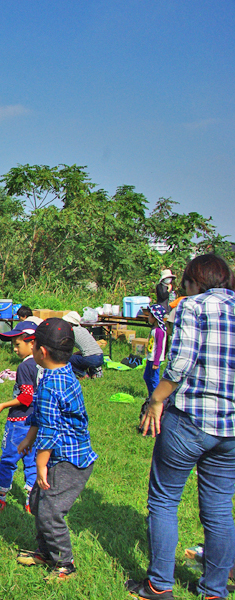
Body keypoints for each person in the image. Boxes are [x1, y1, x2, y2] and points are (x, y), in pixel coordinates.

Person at [127, 254, 235, 600]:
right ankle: (215, 590)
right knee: (219, 509)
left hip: (189, 419)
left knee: (164, 500)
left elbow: (180, 362)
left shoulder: (192, 306)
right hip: (231, 428)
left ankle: (159, 585)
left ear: (193, 282)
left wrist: (156, 400)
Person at [15, 318, 97, 581]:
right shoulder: (58, 373)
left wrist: (41, 466)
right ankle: (46, 551)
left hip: (69, 461)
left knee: (51, 512)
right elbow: (44, 415)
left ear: (42, 351)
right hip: (60, 456)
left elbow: (50, 432)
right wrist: (29, 437)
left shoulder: (52, 383)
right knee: (37, 501)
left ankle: (65, 563)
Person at [0, 320, 41, 512]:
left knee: (9, 459)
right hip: (36, 422)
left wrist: (3, 405)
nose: (14, 349)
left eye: (17, 344)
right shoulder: (43, 365)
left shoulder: (25, 367)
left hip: (19, 421)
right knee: (31, 461)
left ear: (32, 343)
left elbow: (26, 397)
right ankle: (31, 502)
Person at [60, 312, 104, 379]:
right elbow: (88, 347)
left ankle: (82, 374)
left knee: (67, 359)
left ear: (69, 323)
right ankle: (94, 373)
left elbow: (65, 348)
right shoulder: (83, 330)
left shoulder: (71, 332)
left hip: (90, 359)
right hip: (100, 357)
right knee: (79, 357)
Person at [143, 304, 167, 399]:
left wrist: (156, 362)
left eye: (149, 315)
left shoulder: (160, 331)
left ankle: (156, 397)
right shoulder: (154, 329)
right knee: (147, 377)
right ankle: (151, 396)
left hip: (155, 359)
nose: (148, 317)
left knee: (154, 379)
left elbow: (159, 347)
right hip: (150, 358)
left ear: (155, 317)